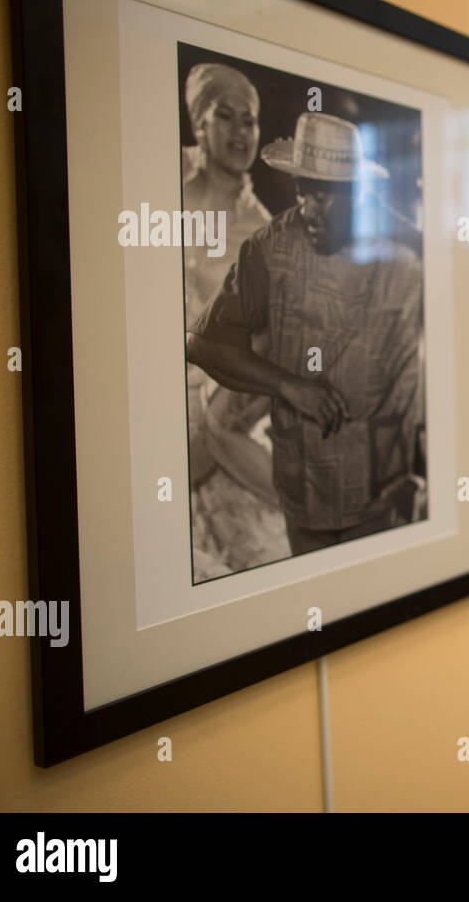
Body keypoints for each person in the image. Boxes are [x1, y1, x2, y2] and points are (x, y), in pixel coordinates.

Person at [186, 111, 426, 556]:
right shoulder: (272, 248)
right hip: (308, 504)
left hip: (388, 504)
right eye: (303, 192)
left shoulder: (405, 253)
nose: (309, 209)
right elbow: (201, 343)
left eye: (325, 196)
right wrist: (287, 385)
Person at [179, 62, 286, 578]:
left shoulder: (261, 231)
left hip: (211, 408)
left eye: (250, 120)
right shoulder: (158, 184)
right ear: (199, 120)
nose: (241, 132)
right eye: (227, 117)